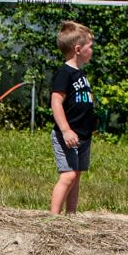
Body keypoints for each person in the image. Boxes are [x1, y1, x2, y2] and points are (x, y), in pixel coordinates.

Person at [49, 20, 97, 215]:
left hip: (83, 136)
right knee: (68, 175)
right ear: (78, 49)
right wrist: (66, 130)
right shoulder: (65, 73)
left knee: (75, 176)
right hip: (67, 137)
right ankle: (54, 219)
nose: (92, 50)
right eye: (90, 46)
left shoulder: (81, 74)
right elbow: (56, 103)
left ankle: (71, 216)